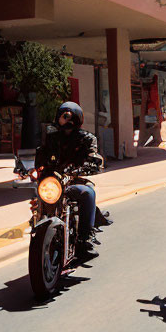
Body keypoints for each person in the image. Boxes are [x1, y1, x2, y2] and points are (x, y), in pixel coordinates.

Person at [34, 101, 102, 261]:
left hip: (75, 180)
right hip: (53, 182)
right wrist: (32, 168)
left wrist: (91, 164)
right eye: (64, 116)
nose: (67, 121)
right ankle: (37, 226)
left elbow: (93, 156)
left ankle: (85, 238)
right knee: (38, 197)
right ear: (58, 117)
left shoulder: (87, 139)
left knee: (87, 193)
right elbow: (40, 155)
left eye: (71, 117)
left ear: (78, 119)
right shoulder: (50, 139)